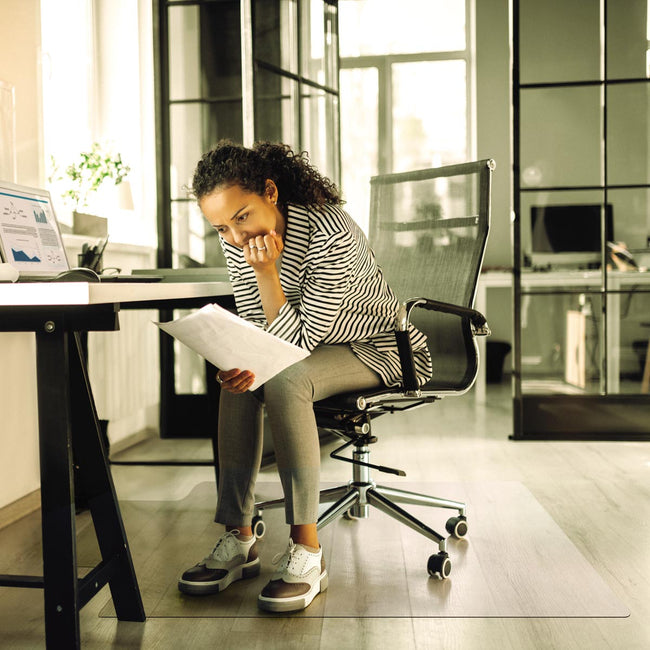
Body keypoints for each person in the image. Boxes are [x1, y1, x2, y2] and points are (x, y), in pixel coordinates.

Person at [178, 140, 432, 612]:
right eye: (220, 227)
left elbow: (297, 344)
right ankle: (238, 536)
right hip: (310, 348)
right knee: (241, 379)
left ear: (270, 193)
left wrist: (268, 272)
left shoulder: (328, 231)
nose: (234, 236)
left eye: (242, 216)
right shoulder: (238, 239)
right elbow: (261, 326)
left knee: (286, 378)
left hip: (380, 348)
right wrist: (240, 357)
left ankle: (306, 551)